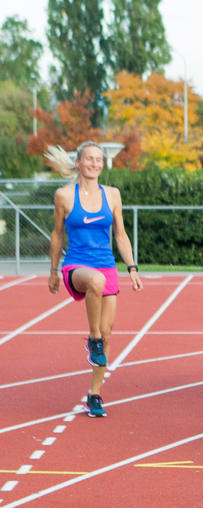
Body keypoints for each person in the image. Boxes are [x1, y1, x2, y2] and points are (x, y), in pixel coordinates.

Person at [45, 142, 143, 417]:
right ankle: (92, 339)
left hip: (106, 265)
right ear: (78, 162)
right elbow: (57, 235)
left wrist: (132, 268)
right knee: (95, 283)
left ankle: (95, 394)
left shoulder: (112, 195)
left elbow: (120, 235)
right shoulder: (63, 196)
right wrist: (53, 270)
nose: (94, 163)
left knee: (109, 334)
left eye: (98, 160)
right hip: (77, 266)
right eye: (89, 159)